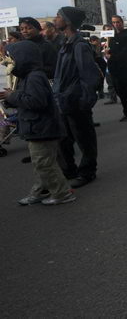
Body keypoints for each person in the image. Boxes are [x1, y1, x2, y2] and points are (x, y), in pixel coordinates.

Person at [0, 41, 76, 205]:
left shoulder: (34, 77)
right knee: (40, 163)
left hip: (42, 128)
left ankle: (62, 193)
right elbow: (26, 100)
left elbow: (37, 101)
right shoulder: (28, 76)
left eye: (11, 58)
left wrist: (12, 96)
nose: (8, 62)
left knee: (44, 163)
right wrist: (11, 98)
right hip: (36, 127)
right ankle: (41, 190)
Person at [53, 6, 101, 189]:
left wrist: (84, 101)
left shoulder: (79, 46)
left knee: (84, 140)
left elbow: (89, 76)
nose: (56, 19)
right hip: (63, 101)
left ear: (68, 21)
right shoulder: (66, 43)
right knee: (64, 140)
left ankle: (87, 171)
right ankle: (69, 171)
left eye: (59, 16)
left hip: (76, 102)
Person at [106, 15, 127, 121]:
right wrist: (107, 52)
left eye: (118, 22)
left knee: (125, 91)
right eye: (114, 22)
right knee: (118, 90)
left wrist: (113, 56)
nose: (116, 24)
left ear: (122, 22)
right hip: (113, 68)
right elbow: (110, 50)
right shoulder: (112, 36)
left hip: (124, 69)